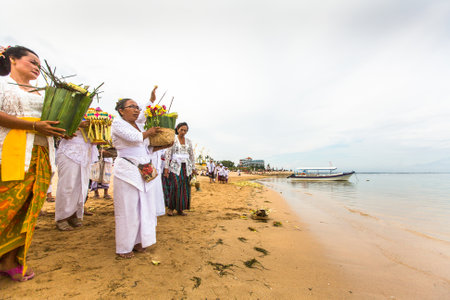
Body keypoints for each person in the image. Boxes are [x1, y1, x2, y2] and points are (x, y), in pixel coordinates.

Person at [0, 45, 65, 281]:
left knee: (28, 210)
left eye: (39, 64)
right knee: (5, 208)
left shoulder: (42, 93)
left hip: (40, 157)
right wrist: (34, 126)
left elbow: (53, 121)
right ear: (12, 60)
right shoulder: (2, 85)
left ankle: (9, 260)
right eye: (32, 62)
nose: (37, 67)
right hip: (9, 154)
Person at [112, 98, 166, 258]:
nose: (136, 110)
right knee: (127, 209)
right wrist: (149, 133)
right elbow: (134, 138)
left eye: (137, 107)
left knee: (143, 207)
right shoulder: (117, 123)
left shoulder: (141, 126)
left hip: (144, 170)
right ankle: (124, 247)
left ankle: (138, 241)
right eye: (132, 107)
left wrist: (163, 145)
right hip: (127, 170)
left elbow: (146, 148)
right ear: (121, 110)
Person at [55, 124, 97, 231]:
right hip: (69, 148)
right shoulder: (67, 107)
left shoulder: (89, 112)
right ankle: (62, 218)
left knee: (81, 184)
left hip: (86, 149)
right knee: (67, 184)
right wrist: (78, 123)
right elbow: (59, 123)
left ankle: (73, 214)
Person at [164, 122, 196, 216]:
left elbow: (191, 155)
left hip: (186, 168)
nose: (183, 132)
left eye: (185, 130)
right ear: (177, 129)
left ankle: (180, 209)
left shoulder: (189, 141)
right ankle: (170, 208)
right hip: (175, 167)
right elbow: (168, 154)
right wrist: (166, 168)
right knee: (175, 186)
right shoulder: (173, 140)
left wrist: (193, 168)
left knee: (185, 187)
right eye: (181, 130)